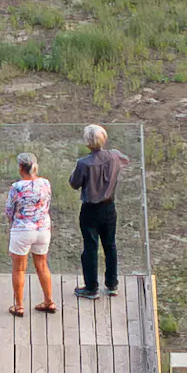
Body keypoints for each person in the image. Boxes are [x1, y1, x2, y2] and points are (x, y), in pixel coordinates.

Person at [70, 124, 125, 300]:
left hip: (90, 210)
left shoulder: (83, 164)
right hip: (109, 207)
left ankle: (92, 287)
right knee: (110, 245)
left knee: (90, 248)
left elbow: (74, 183)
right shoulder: (115, 156)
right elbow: (125, 161)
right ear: (105, 139)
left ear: (88, 144)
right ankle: (112, 284)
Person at [1, 154, 55, 316]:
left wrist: (13, 221)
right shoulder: (45, 183)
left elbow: (9, 210)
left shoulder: (17, 187)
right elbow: (47, 203)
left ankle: (19, 306)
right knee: (42, 265)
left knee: (19, 269)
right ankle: (49, 301)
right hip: (43, 229)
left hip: (23, 230)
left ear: (20, 167)